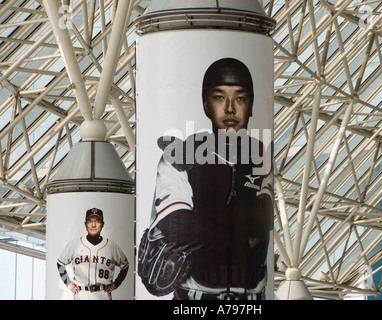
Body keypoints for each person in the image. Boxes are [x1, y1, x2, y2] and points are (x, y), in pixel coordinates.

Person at [140, 58, 273, 300]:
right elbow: (177, 225)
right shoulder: (182, 154)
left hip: (252, 296)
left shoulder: (260, 156)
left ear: (251, 105)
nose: (230, 108)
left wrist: (208, 230)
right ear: (205, 105)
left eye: (240, 98)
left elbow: (262, 228)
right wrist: (240, 238)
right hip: (195, 297)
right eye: (219, 97)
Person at [57, 208, 129, 300]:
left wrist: (116, 284)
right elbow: (60, 263)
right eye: (90, 221)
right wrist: (68, 283)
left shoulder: (111, 246)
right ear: (85, 224)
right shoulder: (75, 244)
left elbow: (125, 266)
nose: (93, 225)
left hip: (103, 294)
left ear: (102, 224)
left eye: (97, 221)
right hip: (81, 294)